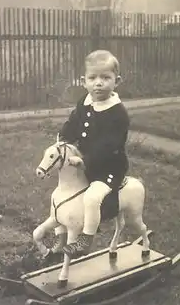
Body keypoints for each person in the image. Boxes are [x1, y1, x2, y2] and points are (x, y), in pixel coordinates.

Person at [54, 49, 130, 258]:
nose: (98, 83)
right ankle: (61, 234)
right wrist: (63, 139)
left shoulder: (117, 113)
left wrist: (85, 160)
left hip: (109, 167)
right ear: (83, 81)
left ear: (117, 81)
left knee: (91, 197)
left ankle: (85, 239)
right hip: (83, 162)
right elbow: (74, 123)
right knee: (64, 192)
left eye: (106, 78)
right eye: (92, 78)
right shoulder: (84, 102)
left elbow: (109, 145)